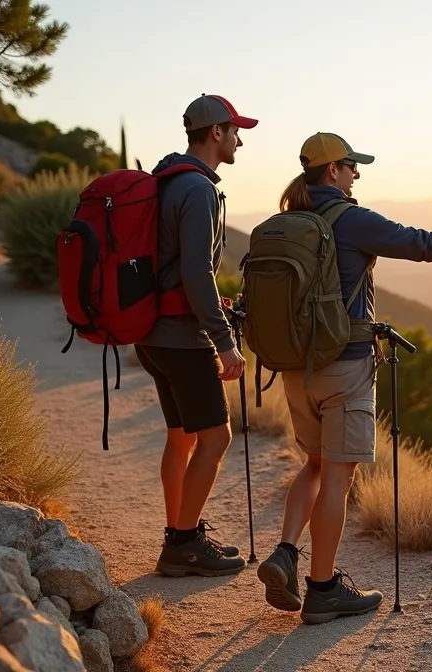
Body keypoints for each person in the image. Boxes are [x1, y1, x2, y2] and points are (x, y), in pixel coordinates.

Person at [256, 132, 432, 623]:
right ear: (332, 171)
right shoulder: (351, 219)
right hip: (344, 365)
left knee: (315, 464)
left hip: (294, 367)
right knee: (338, 475)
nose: (357, 174)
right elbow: (423, 245)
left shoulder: (284, 222)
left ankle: (285, 552)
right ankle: (322, 590)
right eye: (351, 166)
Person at [135, 93, 257, 577]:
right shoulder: (199, 189)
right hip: (184, 340)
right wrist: (224, 342)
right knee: (217, 437)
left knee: (181, 436)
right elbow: (196, 273)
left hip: (151, 335)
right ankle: (183, 544)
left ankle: (179, 531)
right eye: (234, 131)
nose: (239, 140)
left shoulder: (164, 181)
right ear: (216, 134)